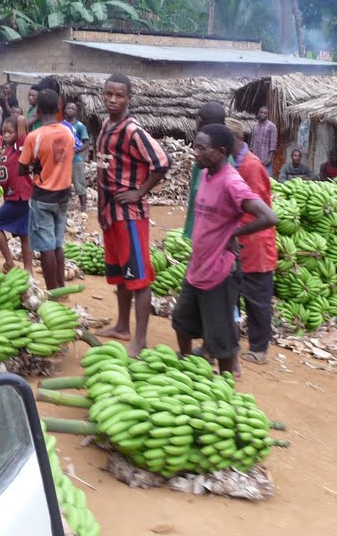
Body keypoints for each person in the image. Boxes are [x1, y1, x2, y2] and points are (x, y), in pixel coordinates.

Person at [172, 124, 277, 375]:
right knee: (181, 322)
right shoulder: (207, 175)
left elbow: (268, 216)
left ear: (220, 152)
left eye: (201, 148)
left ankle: (227, 383)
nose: (195, 152)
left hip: (218, 272)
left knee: (222, 340)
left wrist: (233, 233)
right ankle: (186, 371)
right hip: (197, 265)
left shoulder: (232, 181)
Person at [94, 73, 171, 355]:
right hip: (109, 214)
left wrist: (140, 191)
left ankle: (140, 339)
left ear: (129, 98)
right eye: (108, 94)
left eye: (119, 95)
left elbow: (162, 162)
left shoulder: (132, 131)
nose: (112, 100)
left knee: (138, 277)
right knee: (121, 274)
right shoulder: (106, 124)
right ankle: (122, 325)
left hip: (129, 215)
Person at [228, 119, 277, 365]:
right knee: (235, 292)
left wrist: (232, 230)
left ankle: (259, 349)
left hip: (255, 241)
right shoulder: (233, 164)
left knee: (257, 298)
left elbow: (259, 211)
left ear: (235, 139)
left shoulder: (251, 166)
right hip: (240, 241)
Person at [18, 88, 75, 290]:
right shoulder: (68, 132)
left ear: (38, 111)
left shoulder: (34, 136)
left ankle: (52, 292)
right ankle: (61, 287)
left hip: (43, 196)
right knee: (58, 244)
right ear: (59, 108)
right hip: (64, 195)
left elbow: (21, 168)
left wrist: (34, 167)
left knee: (45, 247)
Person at [0, 114, 33, 273]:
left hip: (20, 196)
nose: (6, 135)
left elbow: (21, 124)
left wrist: (18, 117)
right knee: (24, 234)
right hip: (14, 196)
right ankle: (28, 270)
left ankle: (9, 262)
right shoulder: (7, 150)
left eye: (10, 132)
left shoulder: (20, 146)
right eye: (4, 132)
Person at [183, 101, 228, 240]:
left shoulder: (226, 171)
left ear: (201, 124)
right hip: (197, 240)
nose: (196, 153)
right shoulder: (203, 163)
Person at [63, 101, 89, 212]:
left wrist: (77, 150)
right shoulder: (61, 125)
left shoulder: (80, 126)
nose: (70, 110)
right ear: (64, 110)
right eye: (68, 108)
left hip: (75, 159)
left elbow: (86, 143)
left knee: (79, 183)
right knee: (63, 183)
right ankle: (64, 207)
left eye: (73, 108)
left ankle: (83, 208)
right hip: (63, 160)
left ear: (76, 112)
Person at [249, 105, 278, 173]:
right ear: (258, 113)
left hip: (265, 160)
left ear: (267, 115)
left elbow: (273, 144)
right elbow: (252, 143)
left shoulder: (271, 126)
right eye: (261, 112)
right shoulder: (255, 126)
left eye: (265, 113)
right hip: (255, 159)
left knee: (267, 180)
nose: (263, 114)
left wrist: (269, 158)